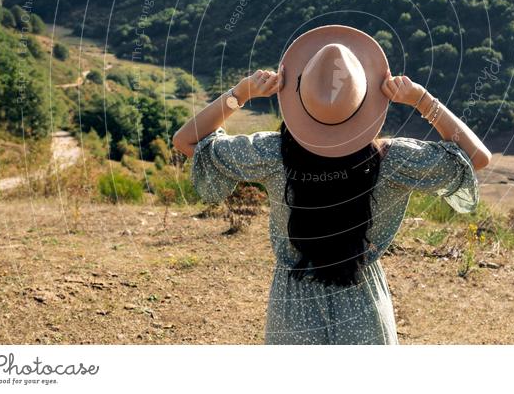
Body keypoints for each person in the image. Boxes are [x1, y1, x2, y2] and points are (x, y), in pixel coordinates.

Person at [172, 24, 492, 344]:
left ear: (298, 98)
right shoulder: (394, 161)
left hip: (292, 308)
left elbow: (187, 141)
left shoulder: (271, 155)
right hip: (364, 303)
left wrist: (240, 93)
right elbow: (477, 157)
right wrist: (422, 99)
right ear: (364, 101)